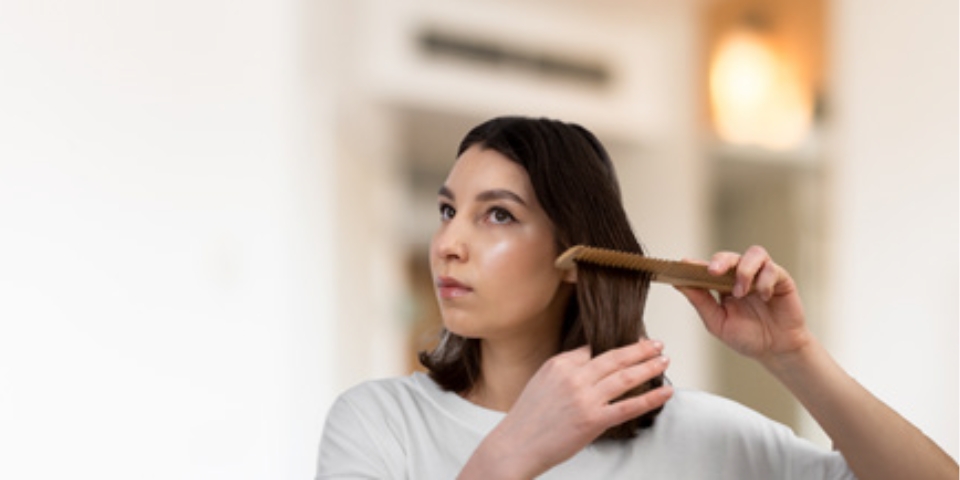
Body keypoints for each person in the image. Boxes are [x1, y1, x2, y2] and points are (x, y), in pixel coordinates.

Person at [316, 116, 957, 479]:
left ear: (576, 252)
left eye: (499, 216)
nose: (446, 243)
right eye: (447, 209)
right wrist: (512, 454)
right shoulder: (379, 424)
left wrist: (794, 353)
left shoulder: (707, 436)